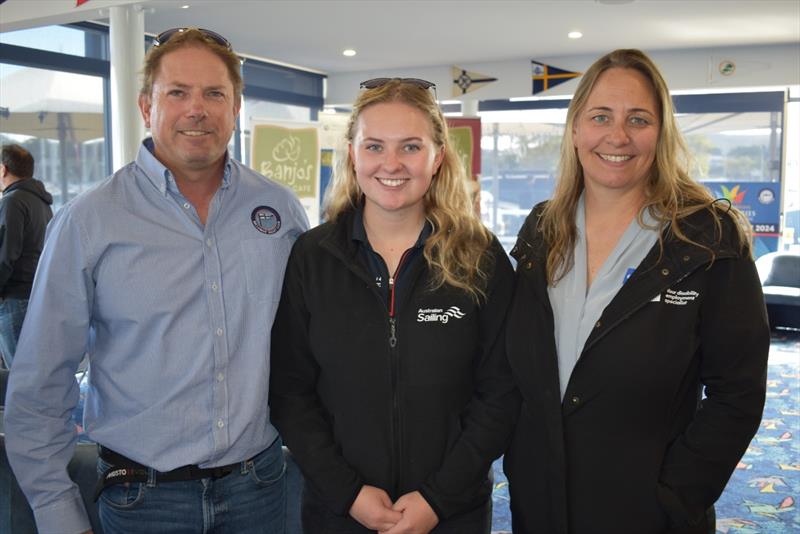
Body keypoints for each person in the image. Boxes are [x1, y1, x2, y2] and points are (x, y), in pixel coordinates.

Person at [4, 28, 308, 534]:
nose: (198, 109)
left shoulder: (279, 210)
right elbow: (41, 380)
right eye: (178, 92)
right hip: (143, 499)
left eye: (215, 94)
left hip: (261, 487)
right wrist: (57, 512)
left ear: (236, 108)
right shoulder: (90, 220)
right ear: (147, 106)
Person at [503, 48, 770, 534]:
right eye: (601, 116)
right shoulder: (541, 228)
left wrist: (675, 494)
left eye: (639, 119)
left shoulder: (708, 237)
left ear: (661, 132)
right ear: (576, 128)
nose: (618, 136)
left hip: (647, 509)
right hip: (540, 498)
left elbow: (739, 392)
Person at [269, 78, 519, 534]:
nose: (391, 164)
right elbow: (290, 394)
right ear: (352, 152)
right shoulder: (313, 257)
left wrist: (437, 500)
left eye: (410, 147)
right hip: (339, 514)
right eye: (374, 146)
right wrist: (349, 494)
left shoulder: (479, 256)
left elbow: (501, 395)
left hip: (452, 515)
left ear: (437, 156)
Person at [0, 144, 53, 368]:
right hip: (36, 295)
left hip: (14, 298)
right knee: (33, 374)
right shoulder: (42, 203)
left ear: (3, 169)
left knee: (18, 378)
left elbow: (6, 254)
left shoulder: (12, 202)